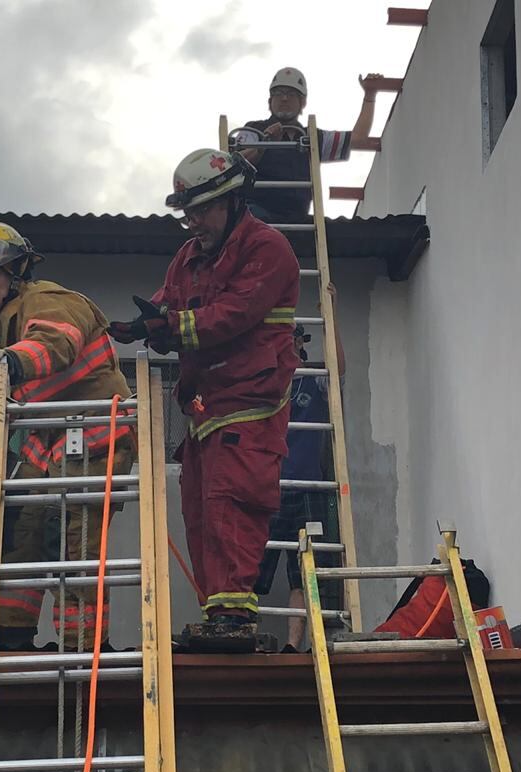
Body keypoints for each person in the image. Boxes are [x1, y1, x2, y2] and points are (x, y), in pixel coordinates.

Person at [108, 149, 299, 648]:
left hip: (251, 400)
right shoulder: (190, 256)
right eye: (187, 213)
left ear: (232, 201)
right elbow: (171, 302)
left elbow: (233, 313)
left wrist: (169, 327)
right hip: (204, 405)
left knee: (231, 504)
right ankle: (220, 621)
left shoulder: (268, 249)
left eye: (200, 211)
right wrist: (145, 324)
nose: (192, 223)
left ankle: (235, 621)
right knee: (200, 511)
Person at [0, 221, 133, 651]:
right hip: (49, 447)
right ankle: (10, 636)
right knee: (19, 539)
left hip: (92, 440)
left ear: (18, 270)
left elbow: (53, 345)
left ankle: (82, 649)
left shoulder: (46, 300)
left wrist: (7, 363)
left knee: (73, 549)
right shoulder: (5, 320)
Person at [253, 285, 345, 650]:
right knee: (250, 567)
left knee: (303, 571)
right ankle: (244, 637)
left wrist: (331, 315)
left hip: (308, 487)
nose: (290, 345)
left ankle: (294, 644)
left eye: (295, 339)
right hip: (267, 486)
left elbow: (337, 369)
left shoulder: (312, 379)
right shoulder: (268, 384)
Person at [235, 67, 383, 223]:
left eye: (291, 94)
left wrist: (369, 96)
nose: (284, 98)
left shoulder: (312, 137)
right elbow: (234, 163)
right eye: (278, 93)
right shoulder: (253, 130)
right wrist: (264, 143)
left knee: (339, 230)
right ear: (269, 101)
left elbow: (358, 139)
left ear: (302, 102)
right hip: (257, 214)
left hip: (298, 219)